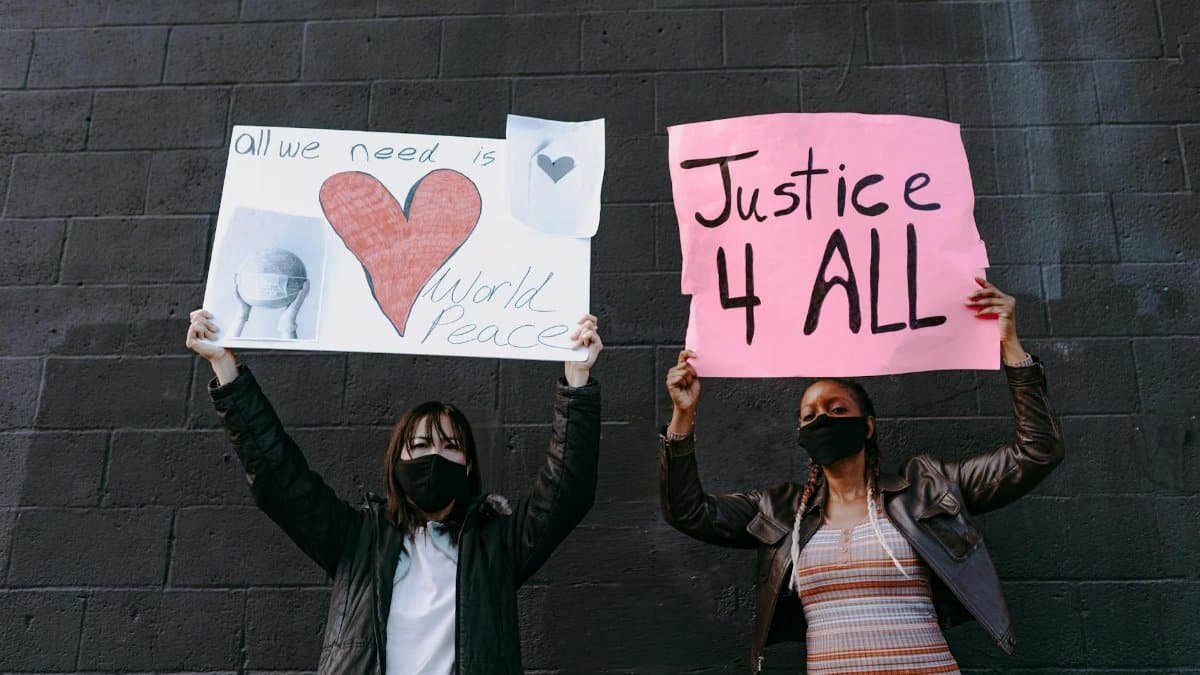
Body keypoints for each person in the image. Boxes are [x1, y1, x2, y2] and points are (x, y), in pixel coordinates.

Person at [659, 279, 1065, 674]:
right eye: (810, 415)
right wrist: (683, 415)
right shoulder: (779, 512)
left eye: (837, 410)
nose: (823, 419)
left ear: (867, 426)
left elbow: (1036, 453)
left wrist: (1011, 346)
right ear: (801, 434)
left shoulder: (927, 489)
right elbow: (689, 512)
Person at [185, 308, 603, 674]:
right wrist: (226, 369)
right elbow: (280, 476)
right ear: (397, 460)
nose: (433, 456)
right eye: (419, 446)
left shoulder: (498, 543)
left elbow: (567, 489)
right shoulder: (355, 539)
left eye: (450, 446)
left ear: (469, 464)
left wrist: (577, 382)